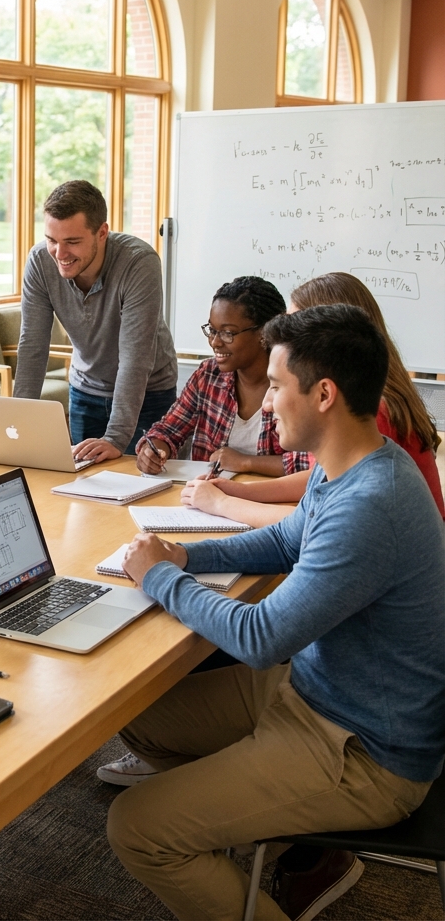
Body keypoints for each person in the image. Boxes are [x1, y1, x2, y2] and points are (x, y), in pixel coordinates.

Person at [100, 305, 444, 921]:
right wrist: (184, 555)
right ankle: (257, 834)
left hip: (361, 752)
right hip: (315, 695)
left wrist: (160, 578)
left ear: (324, 395)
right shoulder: (357, 462)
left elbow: (261, 637)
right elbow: (285, 541)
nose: (267, 400)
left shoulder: (371, 504)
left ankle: (245, 839)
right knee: (140, 717)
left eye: (278, 385)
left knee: (137, 828)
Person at [183, 272, 444, 525]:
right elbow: (316, 481)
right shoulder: (359, 398)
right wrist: (236, 491)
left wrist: (223, 503)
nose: (283, 341)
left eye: (295, 330)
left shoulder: (369, 412)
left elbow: (312, 523)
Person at [13, 180, 178, 463]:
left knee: (140, 482)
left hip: (148, 394)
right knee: (83, 483)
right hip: (85, 390)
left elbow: (135, 358)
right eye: (52, 240)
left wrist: (115, 437)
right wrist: (17, 424)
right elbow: (32, 347)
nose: (60, 254)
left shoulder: (139, 263)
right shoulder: (40, 261)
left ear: (102, 233)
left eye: (72, 242)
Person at [137, 276, 310, 478]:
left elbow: (310, 462)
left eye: (228, 333)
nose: (215, 342)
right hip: (204, 494)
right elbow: (167, 430)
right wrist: (153, 450)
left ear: (264, 332)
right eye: (212, 330)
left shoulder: (296, 381)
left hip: (268, 496)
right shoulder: (208, 375)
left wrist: (245, 462)